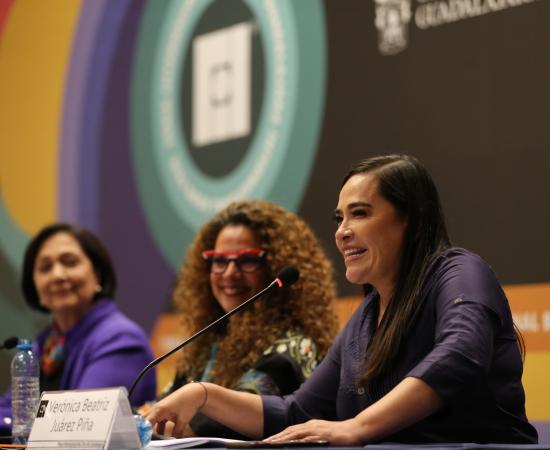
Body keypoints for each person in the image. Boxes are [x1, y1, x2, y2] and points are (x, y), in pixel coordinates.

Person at [145, 154, 538, 444]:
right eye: (340, 218)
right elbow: (297, 412)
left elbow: (460, 355)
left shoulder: (459, 272)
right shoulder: (365, 318)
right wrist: (204, 394)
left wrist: (357, 427)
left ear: (413, 222)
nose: (342, 232)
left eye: (360, 213)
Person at [154, 200, 339, 438]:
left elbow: (240, 421)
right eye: (220, 260)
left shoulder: (294, 347)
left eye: (248, 260)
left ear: (275, 266)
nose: (230, 272)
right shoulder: (208, 343)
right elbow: (161, 407)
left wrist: (170, 424)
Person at [0, 223, 156, 433]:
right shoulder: (46, 343)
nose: (57, 275)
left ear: (97, 274)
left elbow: (77, 423)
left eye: (70, 262)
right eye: (45, 267)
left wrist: (19, 423)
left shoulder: (122, 340)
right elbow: (10, 409)